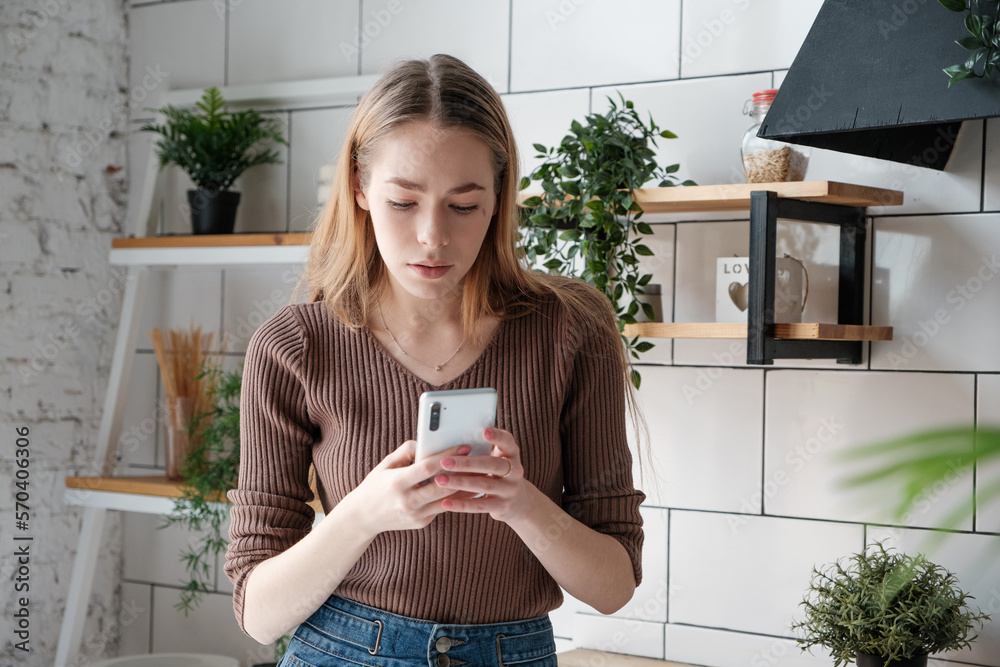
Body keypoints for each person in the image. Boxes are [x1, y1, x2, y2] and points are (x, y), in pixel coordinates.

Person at [224, 53, 647, 667]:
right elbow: (259, 614)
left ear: (500, 200)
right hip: (341, 650)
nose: (433, 236)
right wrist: (364, 514)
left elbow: (613, 587)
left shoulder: (571, 332)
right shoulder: (295, 347)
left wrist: (520, 502)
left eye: (464, 205)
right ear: (360, 189)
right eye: (403, 202)